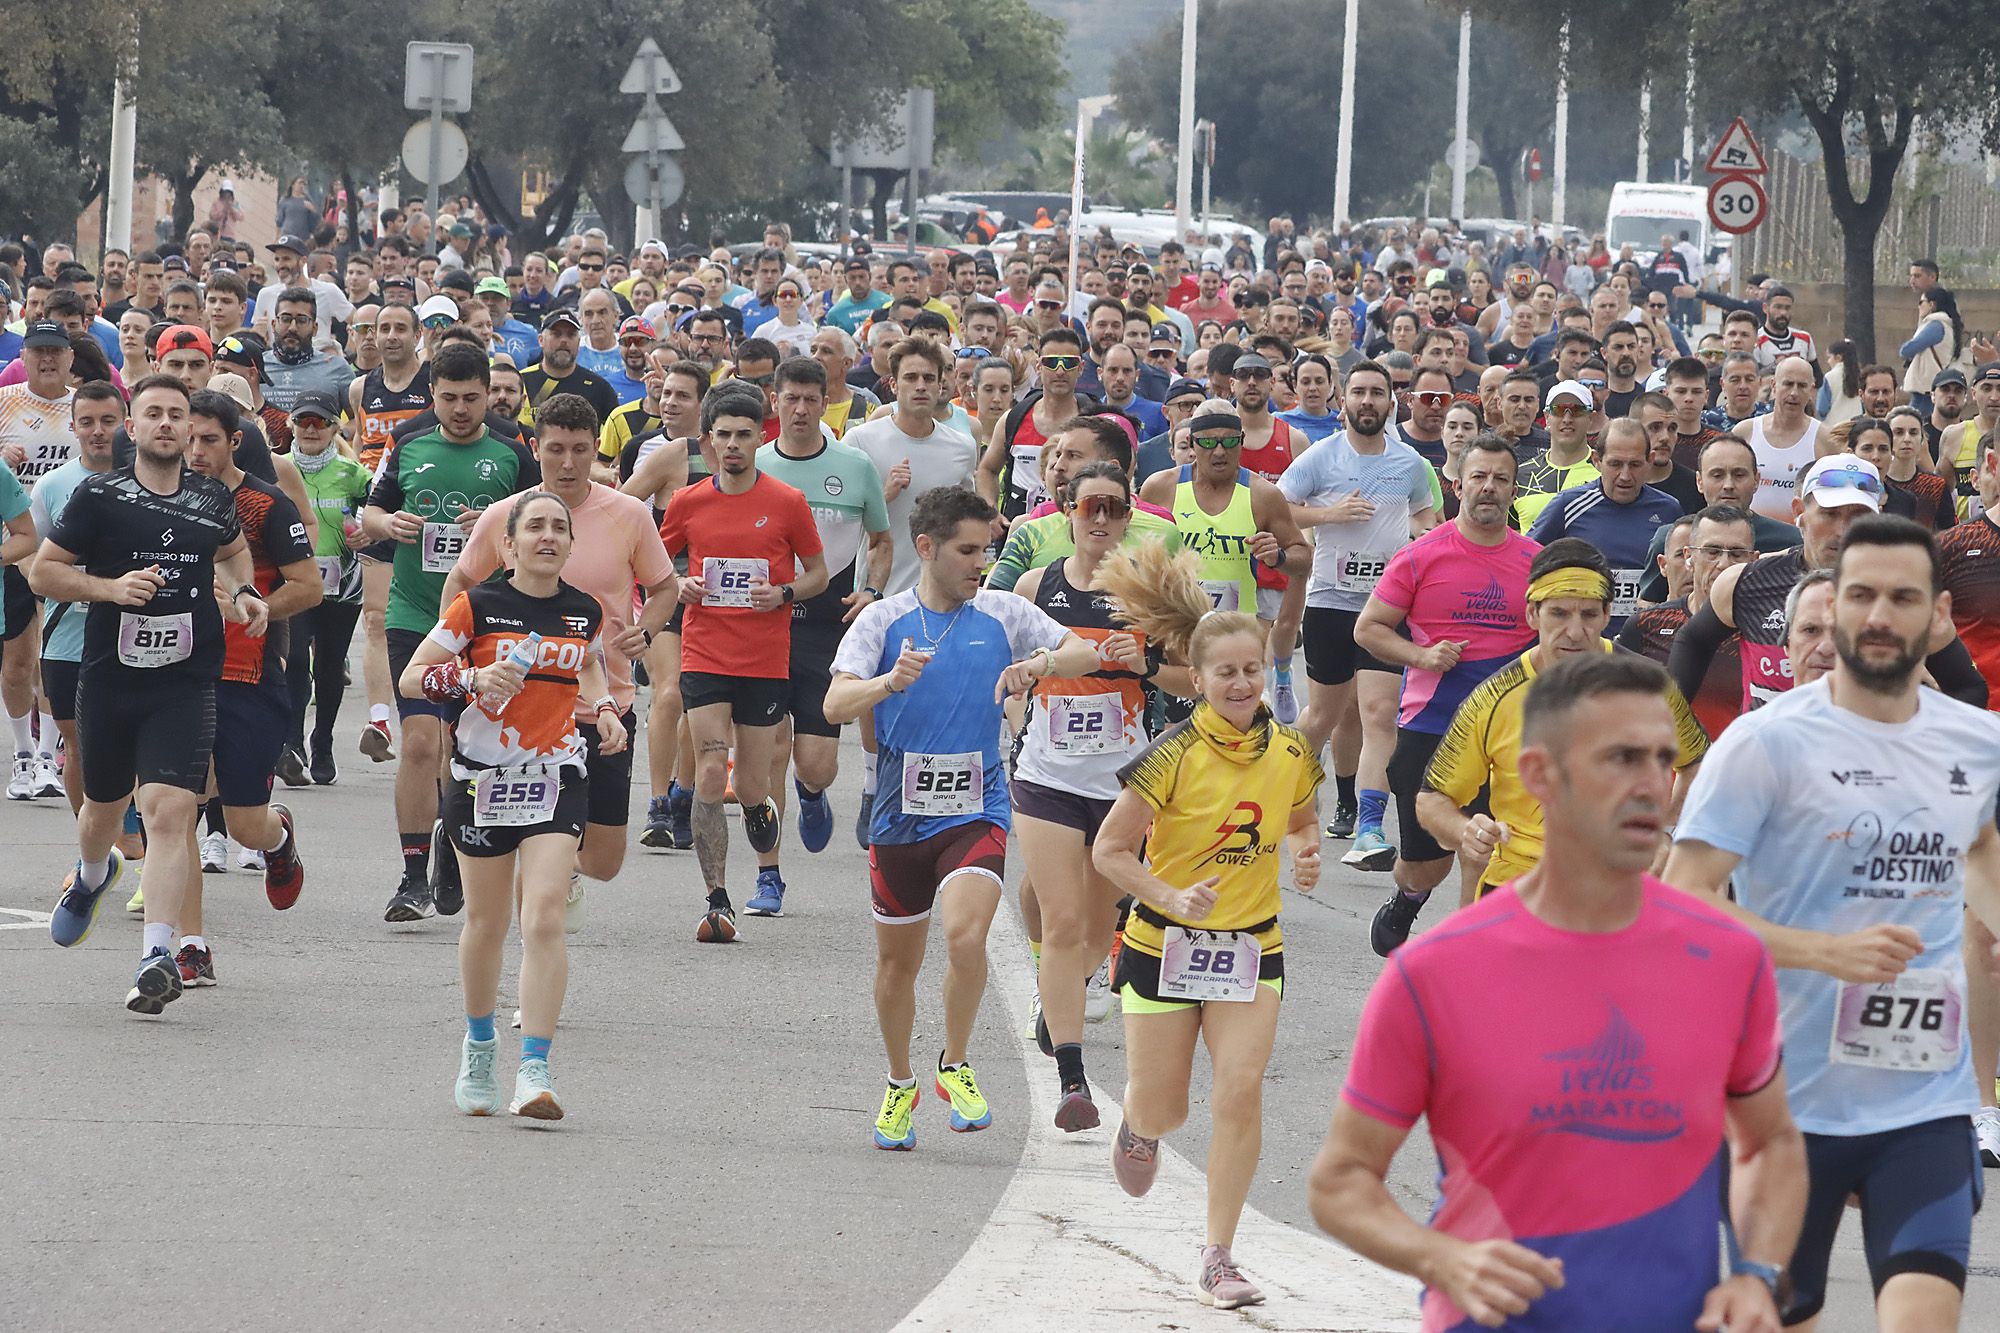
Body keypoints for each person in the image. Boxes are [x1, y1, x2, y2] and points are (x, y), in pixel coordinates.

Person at [1315, 651, 1803, 1333]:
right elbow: (1341, 1181)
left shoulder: (1729, 957)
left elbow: (1771, 1141)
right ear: (1539, 774)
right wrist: (1441, 1258)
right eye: (1621, 758)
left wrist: (1757, 1273)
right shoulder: (1435, 971)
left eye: (1663, 760)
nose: (1652, 785)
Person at [1665, 515, 2000, 1329]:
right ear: (1833, 605)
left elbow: (1985, 860)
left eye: (1903, 597)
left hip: (1924, 1097)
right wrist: (1823, 951)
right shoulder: (1764, 744)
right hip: (1785, 1104)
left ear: (1939, 614)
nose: (1879, 615)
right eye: (1861, 595)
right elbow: (1684, 900)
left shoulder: (1978, 743)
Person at [825, 485, 1101, 1150]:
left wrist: (1037, 663)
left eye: (988, 549)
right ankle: (900, 1080)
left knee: (966, 935)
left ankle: (954, 1062)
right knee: (897, 966)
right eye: (969, 550)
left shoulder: (1005, 612)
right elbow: (835, 704)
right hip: (899, 816)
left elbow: (1088, 653)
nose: (983, 562)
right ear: (926, 547)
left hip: (978, 808)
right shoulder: (883, 621)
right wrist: (888, 682)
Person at [1087, 539, 1324, 1312]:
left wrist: (1307, 850)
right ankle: (1140, 1123)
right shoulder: (1172, 755)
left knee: (1240, 1090)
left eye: (1252, 668)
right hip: (1164, 944)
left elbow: (1301, 815)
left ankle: (1218, 1253)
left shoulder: (1290, 749)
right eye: (1225, 672)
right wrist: (1168, 893)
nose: (1241, 682)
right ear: (1197, 679)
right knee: (1166, 1105)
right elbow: (1110, 850)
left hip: (1252, 946)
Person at [35, 375, 269, 1015]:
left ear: (190, 429)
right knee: (102, 814)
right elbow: (44, 571)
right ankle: (93, 875)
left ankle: (156, 957)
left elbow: (233, 554)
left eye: (176, 414)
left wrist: (244, 592)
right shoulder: (98, 497)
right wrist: (109, 589)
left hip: (185, 681)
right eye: (153, 414)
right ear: (131, 428)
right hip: (111, 679)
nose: (166, 423)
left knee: (169, 811)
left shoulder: (210, 498)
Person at [399, 490, 627, 1121]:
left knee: (545, 914)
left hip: (556, 773)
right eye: (535, 528)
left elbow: (589, 667)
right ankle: (479, 1046)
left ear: (571, 545)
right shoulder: (476, 606)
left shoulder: (583, 611)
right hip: (481, 780)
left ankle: (534, 1069)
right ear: (510, 543)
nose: (548, 537)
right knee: (486, 923)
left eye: (559, 528)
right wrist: (469, 678)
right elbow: (414, 677)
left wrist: (606, 709)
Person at [1007, 461, 1191, 1132]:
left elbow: (1198, 679)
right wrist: (1018, 720)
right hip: (1048, 776)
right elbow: (1013, 666)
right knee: (1060, 923)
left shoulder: (1151, 594)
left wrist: (1146, 663)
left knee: (1093, 927)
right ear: (1068, 511)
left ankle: (1069, 989)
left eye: (1115, 507)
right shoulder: (1036, 586)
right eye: (1091, 506)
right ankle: (1072, 1078)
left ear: (1128, 515)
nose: (1103, 519)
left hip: (1122, 784)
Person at [448, 393, 678, 929]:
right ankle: (533, 891)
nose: (568, 463)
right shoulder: (510, 516)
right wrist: (464, 667)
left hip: (603, 704)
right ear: (536, 448)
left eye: (579, 450)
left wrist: (645, 630)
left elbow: (665, 588)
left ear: (597, 448)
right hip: (520, 712)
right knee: (535, 852)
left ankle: (556, 866)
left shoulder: (626, 514)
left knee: (604, 860)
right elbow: (462, 581)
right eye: (555, 450)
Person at [1420, 538, 1708, 910]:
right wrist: (1465, 830)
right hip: (1519, 885)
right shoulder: (1493, 698)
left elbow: (1698, 763)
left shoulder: (1650, 688)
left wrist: (1665, 829)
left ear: (1607, 614)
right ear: (1532, 614)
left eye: (1588, 615)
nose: (1574, 631)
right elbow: (1432, 799)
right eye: (1558, 613)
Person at [362, 342, 541, 923]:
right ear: (432, 396)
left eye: (471, 398)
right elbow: (370, 512)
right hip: (416, 615)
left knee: (464, 747)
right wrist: (389, 522)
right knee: (420, 743)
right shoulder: (408, 441)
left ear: (489, 395)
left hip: (488, 623)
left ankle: (452, 844)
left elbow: (544, 523)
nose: (460, 410)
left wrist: (493, 527)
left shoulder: (514, 450)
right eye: (448, 399)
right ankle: (413, 875)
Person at [1356, 434, 1540, 951]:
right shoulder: (1421, 556)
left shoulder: (1536, 561)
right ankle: (1409, 896)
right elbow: (1368, 629)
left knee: (1489, 850)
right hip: (1431, 726)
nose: (1489, 487)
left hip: (1507, 733)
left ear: (1514, 489)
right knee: (1425, 865)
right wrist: (1421, 656)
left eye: (1500, 479)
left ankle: (1472, 955)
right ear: (1458, 485)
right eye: (1479, 477)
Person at [658, 382, 829, 937]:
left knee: (753, 784)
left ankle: (765, 850)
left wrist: (783, 594)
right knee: (711, 770)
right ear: (708, 440)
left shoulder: (787, 502)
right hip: (704, 652)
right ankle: (717, 899)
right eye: (723, 435)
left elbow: (818, 575)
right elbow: (655, 567)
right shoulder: (687, 502)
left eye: (743, 435)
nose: (732, 444)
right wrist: (679, 584)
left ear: (760, 438)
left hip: (764, 659)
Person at [1669, 455, 1987, 717]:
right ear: (1799, 513)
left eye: (1858, 514)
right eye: (1830, 514)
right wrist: (1688, 748)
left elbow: (1968, 688)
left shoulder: (1901, 595)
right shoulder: (1746, 582)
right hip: (1771, 762)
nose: (1842, 529)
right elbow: (1692, 642)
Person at [178, 388, 318, 983]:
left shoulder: (265, 504)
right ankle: (189, 945)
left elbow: (309, 586)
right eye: (188, 437)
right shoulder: (160, 499)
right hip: (177, 676)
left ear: (234, 441)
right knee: (176, 812)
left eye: (209, 439)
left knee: (242, 825)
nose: (196, 450)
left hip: (248, 677)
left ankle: (276, 836)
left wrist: (256, 606)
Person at [748, 357, 892, 913]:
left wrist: (871, 591)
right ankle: (768, 876)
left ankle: (811, 794)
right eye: (792, 399)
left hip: (828, 628)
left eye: (812, 399)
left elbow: (881, 540)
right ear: (775, 401)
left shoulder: (854, 466)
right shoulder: (756, 464)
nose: (802, 409)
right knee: (768, 752)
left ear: (824, 403)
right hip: (764, 626)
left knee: (816, 764)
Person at [1280, 360, 1437, 850]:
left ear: (1391, 403)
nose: (1367, 401)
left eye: (1376, 393)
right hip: (1330, 602)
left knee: (1379, 713)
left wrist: (1421, 537)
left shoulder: (1410, 462)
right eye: (1358, 392)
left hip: (1387, 608)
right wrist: (1329, 513)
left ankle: (1369, 827)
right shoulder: (1321, 457)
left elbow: (1425, 516)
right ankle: (1282, 793)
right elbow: (1276, 508)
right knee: (1323, 717)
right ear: (1343, 401)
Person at [26, 381, 122, 812]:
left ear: (127, 424)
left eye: (108, 421)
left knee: (125, 742)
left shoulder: (147, 481)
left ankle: (131, 832)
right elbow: (29, 555)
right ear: (73, 427)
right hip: (66, 639)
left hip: (128, 638)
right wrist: (62, 584)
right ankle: (92, 841)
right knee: (78, 745)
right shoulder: (52, 485)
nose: (98, 431)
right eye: (87, 422)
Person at [281, 390, 370, 786]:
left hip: (342, 585)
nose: (311, 428)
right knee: (295, 658)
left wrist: (365, 531)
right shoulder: (278, 469)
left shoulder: (354, 474)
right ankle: (292, 744)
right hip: (294, 582)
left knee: (330, 667)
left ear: (336, 428)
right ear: (291, 425)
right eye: (304, 420)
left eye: (320, 421)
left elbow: (375, 514)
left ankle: (323, 742)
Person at [1527, 418, 1684, 634]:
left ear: (1650, 460)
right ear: (1597, 461)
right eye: (1615, 464)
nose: (1625, 476)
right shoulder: (1568, 505)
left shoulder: (1669, 510)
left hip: (1646, 639)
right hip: (1583, 639)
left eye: (1635, 464)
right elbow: (1525, 559)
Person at [1619, 503, 1760, 737]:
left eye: (1736, 554)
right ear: (1689, 557)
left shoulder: (1769, 630)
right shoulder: (1646, 625)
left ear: (1754, 560)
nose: (1724, 564)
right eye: (1712, 552)